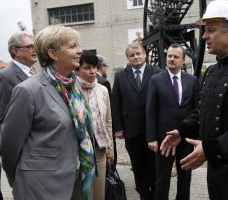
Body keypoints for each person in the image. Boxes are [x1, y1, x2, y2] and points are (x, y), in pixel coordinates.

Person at [160, 0, 228, 200]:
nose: (204, 36)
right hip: (217, 171)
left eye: (210, 30)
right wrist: (182, 130)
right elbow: (204, 111)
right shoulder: (211, 71)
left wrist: (211, 149)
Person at [0, 26, 95, 200]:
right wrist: (19, 180)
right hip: (41, 186)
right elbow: (9, 145)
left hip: (77, 180)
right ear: (53, 54)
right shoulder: (28, 90)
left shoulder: (75, 86)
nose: (80, 50)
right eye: (72, 46)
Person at [146, 44, 199, 200]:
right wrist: (151, 137)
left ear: (183, 61)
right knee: (162, 179)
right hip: (165, 139)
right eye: (169, 56)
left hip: (186, 138)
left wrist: (196, 137)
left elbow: (196, 110)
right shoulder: (155, 80)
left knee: (185, 179)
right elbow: (151, 110)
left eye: (176, 57)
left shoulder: (193, 81)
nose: (171, 59)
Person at [111, 43, 162, 200]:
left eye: (138, 53)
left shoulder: (158, 73)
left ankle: (155, 195)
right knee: (138, 168)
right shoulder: (120, 76)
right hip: (131, 131)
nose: (136, 57)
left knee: (155, 167)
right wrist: (118, 127)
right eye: (131, 55)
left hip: (153, 131)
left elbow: (163, 102)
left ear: (145, 54)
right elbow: (116, 104)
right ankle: (144, 196)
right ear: (128, 58)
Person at [75, 51, 114, 200]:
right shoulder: (70, 89)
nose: (92, 71)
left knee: (98, 194)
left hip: (99, 149)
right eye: (87, 67)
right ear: (76, 70)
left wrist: (110, 151)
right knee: (80, 192)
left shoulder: (102, 89)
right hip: (77, 150)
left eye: (95, 67)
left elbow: (108, 121)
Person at [0, 32, 37, 155]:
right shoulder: (4, 76)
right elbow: (2, 118)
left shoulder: (33, 73)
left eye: (34, 46)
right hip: (26, 150)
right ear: (15, 51)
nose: (34, 50)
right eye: (29, 47)